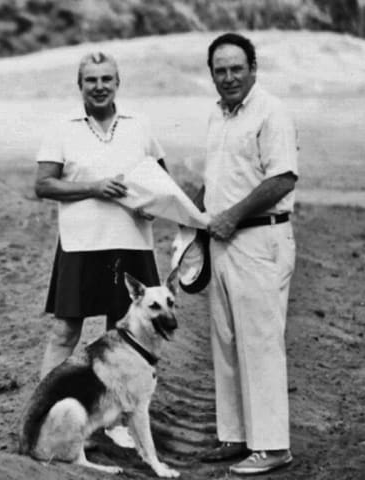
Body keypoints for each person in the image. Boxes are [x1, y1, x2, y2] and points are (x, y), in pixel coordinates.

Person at [33, 51, 166, 449]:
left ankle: (115, 421)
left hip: (130, 241)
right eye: (91, 80)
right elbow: (44, 185)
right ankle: (44, 414)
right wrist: (93, 188)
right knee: (65, 330)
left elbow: (162, 181)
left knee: (123, 335)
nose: (99, 86)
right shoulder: (62, 127)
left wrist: (153, 203)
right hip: (81, 243)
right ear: (80, 85)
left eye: (107, 79)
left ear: (118, 83)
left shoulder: (139, 126)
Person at [195, 33, 298, 475]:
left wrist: (232, 215)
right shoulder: (219, 116)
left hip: (260, 240)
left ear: (253, 68)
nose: (229, 77)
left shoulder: (271, 111)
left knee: (259, 343)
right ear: (212, 74)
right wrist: (195, 213)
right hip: (223, 241)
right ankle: (236, 436)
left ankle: (273, 447)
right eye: (220, 70)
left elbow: (283, 179)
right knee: (227, 342)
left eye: (237, 68)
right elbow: (220, 180)